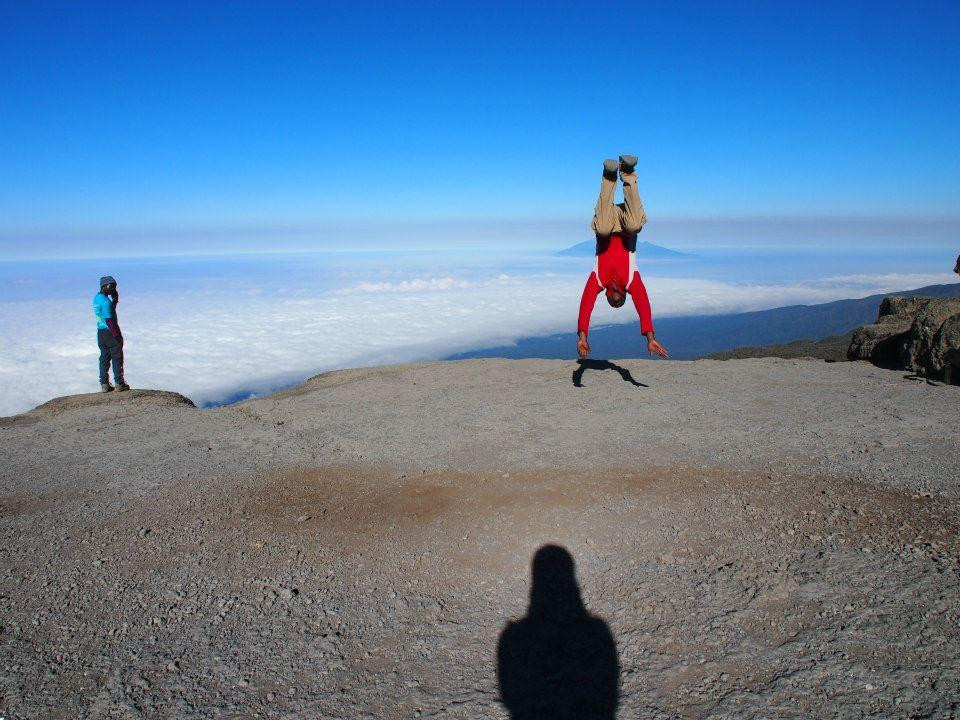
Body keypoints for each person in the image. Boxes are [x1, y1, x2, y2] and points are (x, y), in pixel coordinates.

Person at [577, 156, 669, 359]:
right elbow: (643, 305)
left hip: (608, 222)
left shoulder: (598, 280)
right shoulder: (631, 280)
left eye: (613, 305)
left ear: (608, 297)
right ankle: (627, 172)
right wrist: (650, 338)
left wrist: (583, 337)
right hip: (626, 225)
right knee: (635, 226)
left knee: (601, 230)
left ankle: (609, 177)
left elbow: (586, 306)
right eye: (621, 304)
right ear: (625, 296)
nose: (618, 305)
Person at [93, 275, 129, 392]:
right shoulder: (106, 302)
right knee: (117, 357)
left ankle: (104, 384)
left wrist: (115, 301)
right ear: (106, 286)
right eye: (113, 286)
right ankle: (119, 383)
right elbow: (109, 319)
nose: (114, 289)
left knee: (104, 358)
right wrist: (117, 335)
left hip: (101, 333)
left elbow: (106, 312)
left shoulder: (97, 298)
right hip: (110, 332)